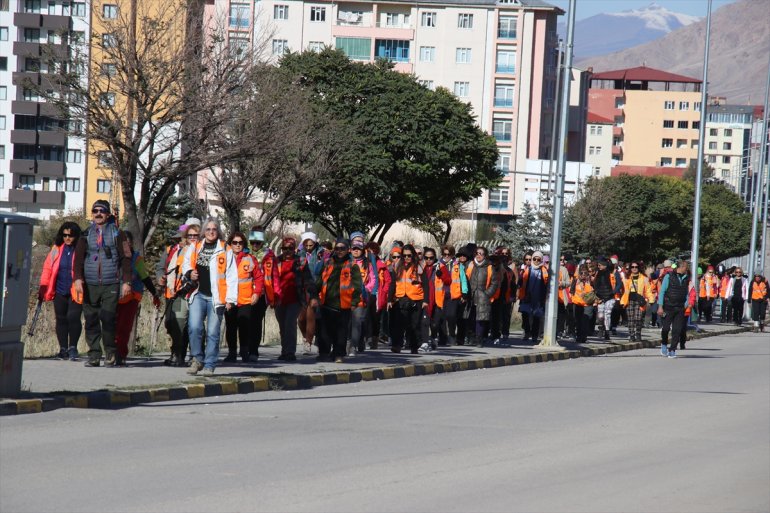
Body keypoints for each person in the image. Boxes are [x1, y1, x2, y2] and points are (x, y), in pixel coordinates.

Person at [73, 200, 133, 367]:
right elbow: (78, 259)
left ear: (107, 214)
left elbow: (126, 258)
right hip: (90, 284)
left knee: (107, 318)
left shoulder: (118, 233)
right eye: (95, 211)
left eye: (102, 211)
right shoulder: (85, 234)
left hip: (111, 283)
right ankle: (93, 355)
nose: (98, 214)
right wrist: (77, 278)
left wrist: (127, 281)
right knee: (91, 319)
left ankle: (111, 352)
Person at [182, 218, 237, 376]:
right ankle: (197, 359)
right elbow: (186, 263)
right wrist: (189, 273)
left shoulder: (225, 249)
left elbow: (232, 275)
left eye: (214, 229)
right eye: (208, 229)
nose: (211, 232)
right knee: (194, 327)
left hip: (217, 298)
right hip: (198, 294)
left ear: (218, 231)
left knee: (213, 332)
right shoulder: (196, 246)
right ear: (203, 232)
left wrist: (231, 299)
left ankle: (210, 364)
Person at [115, 231, 161, 366]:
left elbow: (145, 277)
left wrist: (154, 293)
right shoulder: (113, 257)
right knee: (112, 326)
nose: (124, 244)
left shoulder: (136, 258)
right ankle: (112, 352)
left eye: (127, 241)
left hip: (132, 297)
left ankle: (120, 354)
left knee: (124, 326)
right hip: (113, 296)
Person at [38, 221, 83, 361]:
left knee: (73, 317)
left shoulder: (81, 249)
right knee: (61, 318)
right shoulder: (56, 249)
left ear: (76, 236)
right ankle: (63, 349)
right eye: (64, 235)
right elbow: (47, 269)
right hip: (59, 289)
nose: (67, 238)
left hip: (76, 289)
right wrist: (43, 287)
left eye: (70, 235)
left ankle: (73, 347)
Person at [159, 220, 199, 366]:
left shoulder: (201, 251)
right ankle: (178, 354)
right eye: (189, 236)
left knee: (194, 326)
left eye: (196, 235)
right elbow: (170, 269)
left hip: (195, 293)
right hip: (178, 293)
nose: (192, 238)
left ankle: (195, 356)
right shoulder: (178, 251)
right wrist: (169, 285)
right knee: (177, 325)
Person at [272, 237, 318, 361]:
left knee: (290, 324)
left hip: (295, 300)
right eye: (284, 248)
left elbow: (309, 280)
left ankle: (290, 352)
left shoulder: (301, 262)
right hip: (279, 300)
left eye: (290, 248)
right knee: (283, 326)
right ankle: (284, 350)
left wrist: (313, 297)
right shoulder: (276, 261)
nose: (287, 251)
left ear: (294, 249)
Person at [316, 238, 362, 363]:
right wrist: (315, 295)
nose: (339, 251)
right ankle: (324, 352)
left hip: (344, 304)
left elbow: (358, 286)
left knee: (341, 332)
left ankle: (338, 354)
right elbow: (320, 280)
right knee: (324, 331)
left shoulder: (353, 266)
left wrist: (354, 302)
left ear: (348, 250)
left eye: (342, 248)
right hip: (326, 302)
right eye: (337, 248)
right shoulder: (327, 263)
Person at [224, 231, 264, 363]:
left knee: (244, 325)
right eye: (234, 242)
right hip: (230, 299)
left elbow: (258, 277)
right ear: (230, 244)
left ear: (244, 244)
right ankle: (232, 353)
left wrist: (257, 293)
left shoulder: (250, 259)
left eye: (240, 243)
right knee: (231, 327)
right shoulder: (224, 258)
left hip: (246, 299)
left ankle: (244, 351)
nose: (237, 245)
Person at [388, 244, 428, 353]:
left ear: (413, 255)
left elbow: (425, 284)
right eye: (404, 255)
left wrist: (425, 300)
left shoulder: (419, 266)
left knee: (414, 324)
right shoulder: (397, 266)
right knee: (399, 324)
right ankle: (397, 345)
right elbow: (392, 284)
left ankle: (414, 346)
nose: (406, 258)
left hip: (416, 298)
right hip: (401, 298)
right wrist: (389, 299)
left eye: (409, 255)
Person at [465, 246, 499, 347]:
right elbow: (464, 279)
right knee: (471, 318)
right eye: (477, 253)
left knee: (480, 319)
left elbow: (494, 283)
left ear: (485, 256)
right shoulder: (470, 265)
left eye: (481, 253)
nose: (479, 255)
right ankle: (471, 337)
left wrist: (487, 294)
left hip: (483, 296)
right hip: (470, 296)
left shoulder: (489, 267)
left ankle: (479, 339)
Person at [297, 232, 325, 354]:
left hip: (316, 289)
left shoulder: (321, 254)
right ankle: (305, 337)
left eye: (311, 245)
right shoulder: (298, 255)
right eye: (306, 245)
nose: (309, 247)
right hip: (302, 289)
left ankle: (308, 342)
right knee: (301, 318)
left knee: (311, 316)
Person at [658, 260, 691, 358]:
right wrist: (660, 306)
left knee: (677, 330)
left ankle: (672, 349)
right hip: (668, 307)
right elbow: (662, 291)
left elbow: (686, 293)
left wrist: (686, 304)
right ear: (681, 267)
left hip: (680, 308)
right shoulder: (669, 276)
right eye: (686, 267)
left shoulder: (686, 278)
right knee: (666, 328)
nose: (687, 269)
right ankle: (664, 343)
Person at [349, 239, 376, 356]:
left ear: (362, 251)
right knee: (348, 322)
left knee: (357, 322)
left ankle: (352, 346)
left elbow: (373, 279)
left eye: (358, 249)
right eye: (354, 249)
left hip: (361, 297)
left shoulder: (367, 264)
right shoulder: (347, 262)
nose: (356, 251)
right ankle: (357, 341)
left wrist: (368, 290)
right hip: (347, 297)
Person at [248, 226, 271, 357]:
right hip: (245, 292)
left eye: (258, 242)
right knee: (245, 321)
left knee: (256, 322)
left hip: (262, 294)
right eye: (253, 242)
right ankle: (245, 347)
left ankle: (253, 350)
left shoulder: (268, 255)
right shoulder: (245, 253)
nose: (255, 245)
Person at [422, 247, 451, 349]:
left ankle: (434, 337)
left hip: (437, 300)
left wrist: (441, 275)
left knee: (434, 324)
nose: (428, 260)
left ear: (435, 257)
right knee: (425, 321)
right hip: (425, 299)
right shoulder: (421, 267)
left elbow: (448, 281)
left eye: (431, 258)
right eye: (426, 258)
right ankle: (425, 342)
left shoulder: (440, 267)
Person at [518, 251, 549, 342]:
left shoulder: (544, 271)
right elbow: (520, 282)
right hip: (527, 296)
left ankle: (535, 335)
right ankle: (527, 332)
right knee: (525, 315)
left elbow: (547, 284)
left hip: (538, 297)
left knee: (536, 317)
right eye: (534, 259)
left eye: (538, 259)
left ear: (541, 260)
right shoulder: (527, 269)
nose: (536, 261)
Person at [619, 261, 654, 342]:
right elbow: (623, 290)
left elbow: (648, 290)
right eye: (632, 267)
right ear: (630, 268)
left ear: (639, 268)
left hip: (639, 300)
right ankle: (631, 335)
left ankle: (638, 333)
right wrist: (622, 301)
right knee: (630, 319)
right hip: (629, 300)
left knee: (638, 318)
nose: (634, 269)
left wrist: (651, 299)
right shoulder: (627, 278)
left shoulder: (644, 278)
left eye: (636, 267)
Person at [366, 241, 391, 350]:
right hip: (366, 293)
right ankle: (366, 338)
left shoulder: (381, 265)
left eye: (373, 252)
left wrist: (384, 292)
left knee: (375, 319)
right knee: (365, 318)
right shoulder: (363, 263)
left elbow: (388, 281)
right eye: (369, 251)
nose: (371, 254)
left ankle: (374, 339)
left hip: (378, 295)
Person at [593, 258, 622, 341]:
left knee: (607, 314)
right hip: (600, 296)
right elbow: (595, 283)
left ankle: (606, 331)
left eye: (600, 265)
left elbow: (619, 284)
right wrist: (596, 291)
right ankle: (601, 326)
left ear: (605, 265)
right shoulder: (598, 273)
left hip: (610, 296)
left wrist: (613, 292)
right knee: (601, 315)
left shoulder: (613, 273)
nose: (599, 267)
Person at [570, 265, 595, 343]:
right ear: (579, 273)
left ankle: (584, 337)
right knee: (578, 321)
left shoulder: (590, 280)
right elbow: (571, 291)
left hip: (587, 304)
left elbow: (594, 290)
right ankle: (578, 336)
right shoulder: (575, 281)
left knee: (585, 321)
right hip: (577, 303)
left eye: (585, 273)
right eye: (581, 273)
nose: (583, 275)